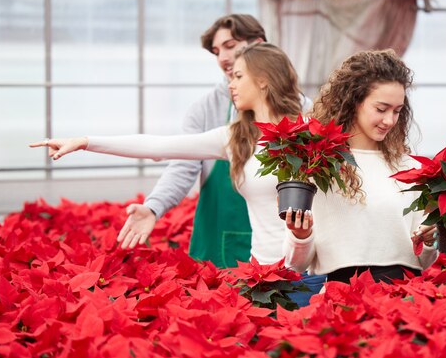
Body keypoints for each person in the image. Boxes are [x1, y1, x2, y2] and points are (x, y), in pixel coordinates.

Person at [31, 43, 324, 306]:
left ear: (263, 80)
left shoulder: (311, 132)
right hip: (261, 280)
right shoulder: (237, 138)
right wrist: (86, 142)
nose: (230, 85)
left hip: (307, 278)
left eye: (238, 76)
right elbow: (159, 146)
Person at [121, 14, 310, 269]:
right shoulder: (205, 110)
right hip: (218, 229)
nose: (222, 58)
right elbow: (181, 165)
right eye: (216, 51)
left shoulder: (304, 111)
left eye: (231, 46)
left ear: (259, 44)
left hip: (282, 240)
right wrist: (154, 207)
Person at [282, 49, 439, 284]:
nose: (390, 120)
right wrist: (301, 235)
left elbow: (425, 262)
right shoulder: (319, 165)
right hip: (343, 298)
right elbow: (295, 264)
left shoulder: (409, 167)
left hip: (402, 297)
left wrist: (428, 242)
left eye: (397, 111)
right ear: (354, 101)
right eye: (381, 109)